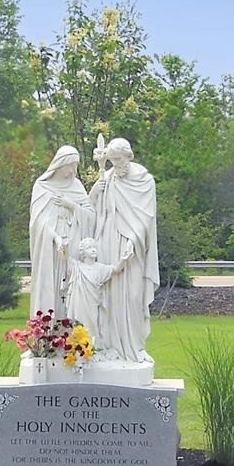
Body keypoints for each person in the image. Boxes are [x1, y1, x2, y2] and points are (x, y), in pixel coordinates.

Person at [87, 137, 158, 363]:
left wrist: (133, 239)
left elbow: (146, 217)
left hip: (132, 245)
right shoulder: (107, 178)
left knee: (132, 295)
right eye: (112, 160)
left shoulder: (145, 181)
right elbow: (95, 212)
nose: (116, 164)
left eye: (119, 159)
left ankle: (134, 345)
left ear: (129, 156)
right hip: (107, 241)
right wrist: (94, 193)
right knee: (109, 295)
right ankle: (108, 345)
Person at [28, 146, 93, 318]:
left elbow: (91, 215)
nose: (73, 170)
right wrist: (55, 238)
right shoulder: (42, 186)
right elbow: (37, 222)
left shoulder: (76, 186)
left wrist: (70, 205)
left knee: (70, 286)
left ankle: (72, 332)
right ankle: (47, 331)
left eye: (75, 165)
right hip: (50, 246)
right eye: (69, 165)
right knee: (52, 285)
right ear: (59, 164)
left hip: (72, 243)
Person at [65, 237, 128, 338]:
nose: (93, 249)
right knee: (78, 324)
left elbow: (116, 269)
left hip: (92, 303)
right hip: (79, 303)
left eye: (94, 247)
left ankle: (91, 347)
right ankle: (78, 347)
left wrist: (124, 258)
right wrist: (63, 245)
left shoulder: (100, 268)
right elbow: (66, 257)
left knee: (92, 326)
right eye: (89, 248)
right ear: (83, 252)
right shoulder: (77, 267)